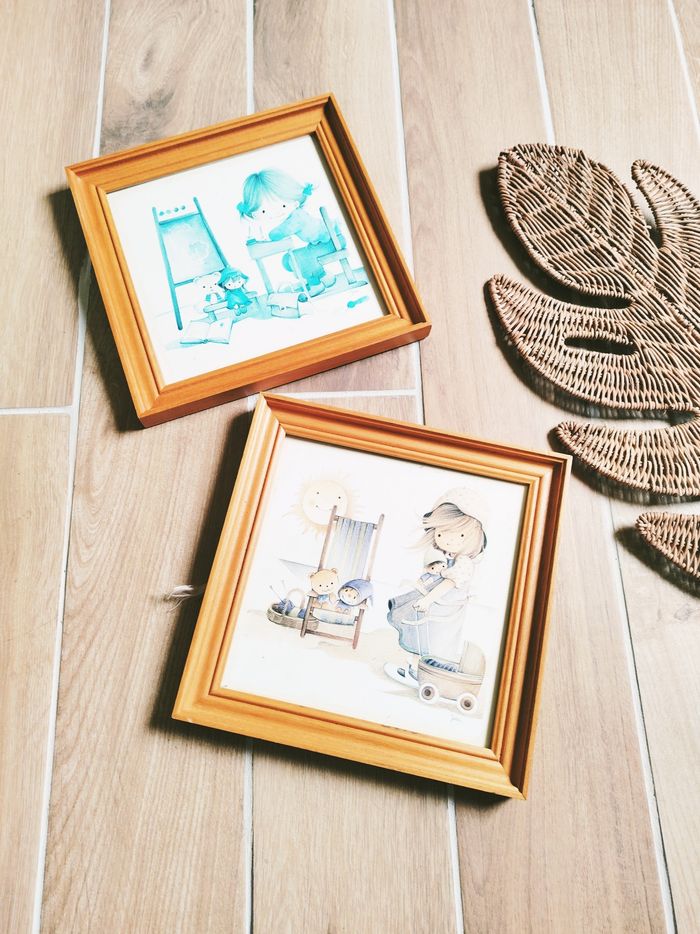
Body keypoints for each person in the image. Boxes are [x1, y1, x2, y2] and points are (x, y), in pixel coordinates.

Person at [384, 488, 487, 686]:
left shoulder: (464, 563)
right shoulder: (447, 557)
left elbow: (449, 583)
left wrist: (427, 600)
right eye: (441, 533)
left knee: (431, 641)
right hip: (437, 606)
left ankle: (421, 675)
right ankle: (415, 671)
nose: (448, 539)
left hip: (444, 609)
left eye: (460, 534)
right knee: (421, 637)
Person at [237, 169, 343, 297]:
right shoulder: (294, 216)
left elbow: (279, 233)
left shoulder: (296, 217)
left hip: (331, 241)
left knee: (298, 258)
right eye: (263, 211)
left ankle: (316, 284)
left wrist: (266, 237)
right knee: (289, 259)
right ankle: (325, 277)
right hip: (321, 243)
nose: (274, 213)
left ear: (295, 202)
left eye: (283, 206)